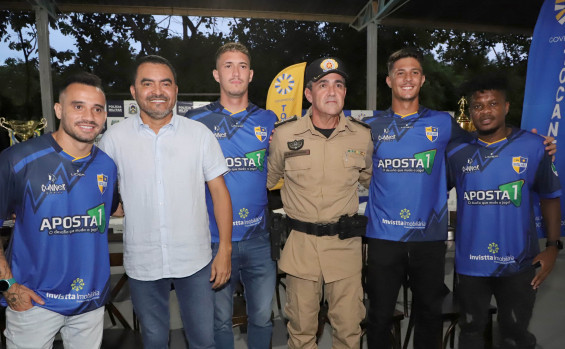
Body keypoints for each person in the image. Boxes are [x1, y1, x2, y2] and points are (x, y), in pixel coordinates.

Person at [362, 48, 557, 349]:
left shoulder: (443, 124)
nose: (407, 78)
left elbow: (489, 141)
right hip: (383, 239)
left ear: (423, 79)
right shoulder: (370, 128)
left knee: (429, 315)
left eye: (414, 71)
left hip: (429, 241)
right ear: (389, 81)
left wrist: (536, 145)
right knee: (379, 316)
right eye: (400, 72)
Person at [98, 55, 232, 349]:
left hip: (195, 260)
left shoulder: (199, 135)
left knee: (203, 341)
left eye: (165, 83)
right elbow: (98, 192)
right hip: (143, 262)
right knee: (155, 341)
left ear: (176, 90)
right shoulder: (113, 139)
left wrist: (224, 249)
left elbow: (220, 192)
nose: (157, 91)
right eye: (148, 84)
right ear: (134, 92)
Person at [0, 72, 118, 348]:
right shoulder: (18, 159)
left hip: (90, 303)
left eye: (97, 109)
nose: (89, 116)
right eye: (78, 106)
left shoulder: (107, 166)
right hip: (33, 302)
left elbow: (111, 208)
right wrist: (9, 287)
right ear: (58, 110)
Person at [447, 76, 562, 349]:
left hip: (519, 264)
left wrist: (553, 247)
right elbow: (428, 190)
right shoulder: (456, 151)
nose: (485, 111)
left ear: (506, 107)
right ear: (471, 111)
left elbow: (550, 197)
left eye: (492, 103)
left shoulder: (535, 146)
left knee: (514, 334)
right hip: (471, 264)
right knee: (471, 331)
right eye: (478, 106)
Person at [267, 57, 372, 349]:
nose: (332, 91)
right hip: (301, 248)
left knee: (349, 331)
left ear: (345, 93)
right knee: (301, 333)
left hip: (345, 249)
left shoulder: (362, 137)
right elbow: (270, 179)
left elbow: (369, 178)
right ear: (309, 94)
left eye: (338, 85)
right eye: (323, 84)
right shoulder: (286, 135)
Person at [186, 42, 277, 349]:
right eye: (228, 66)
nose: (235, 72)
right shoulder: (196, 121)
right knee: (220, 320)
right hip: (212, 240)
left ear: (250, 75)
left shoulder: (269, 120)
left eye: (241, 66)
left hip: (258, 239)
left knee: (263, 318)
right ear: (216, 74)